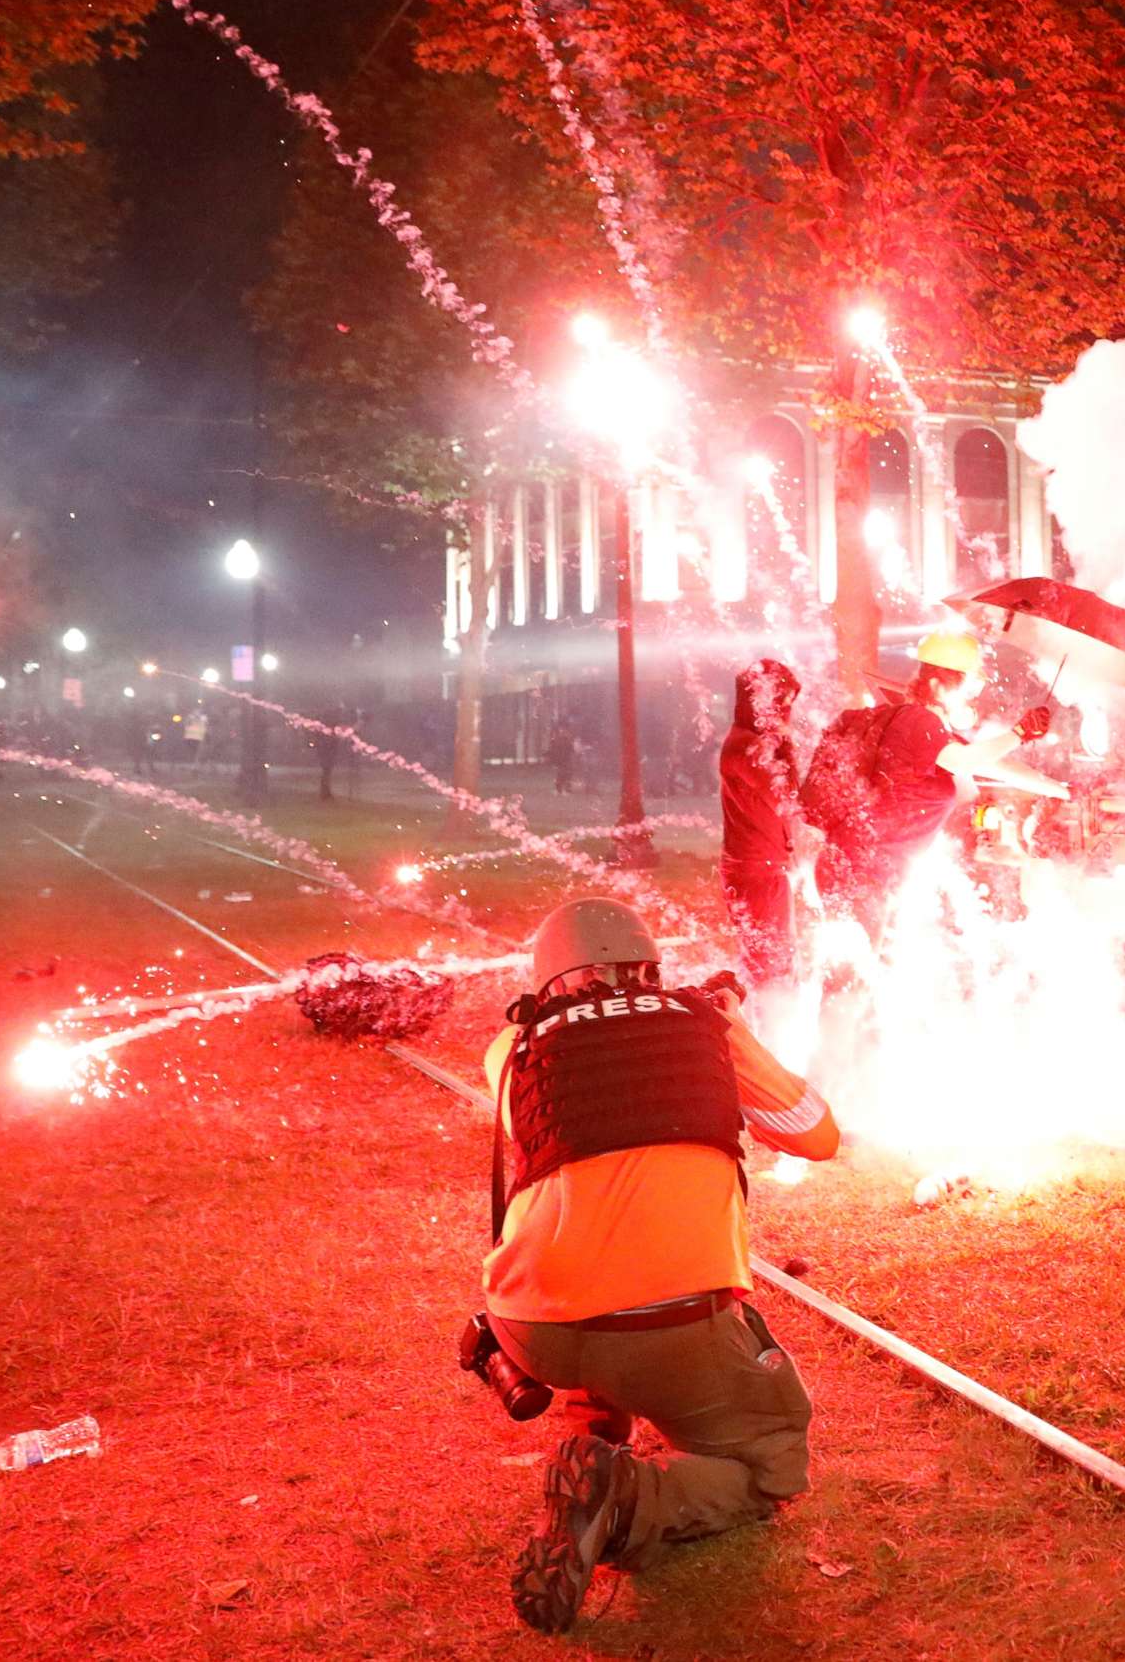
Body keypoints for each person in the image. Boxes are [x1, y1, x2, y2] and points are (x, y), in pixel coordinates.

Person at [479, 898, 839, 1634]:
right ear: (650, 965)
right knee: (767, 1467)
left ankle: (594, 1441)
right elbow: (815, 1135)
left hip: (529, 1323)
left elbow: (587, 1119)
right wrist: (726, 1030)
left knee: (591, 1276)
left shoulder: (509, 1048)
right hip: (669, 1320)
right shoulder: (704, 1023)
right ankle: (628, 1499)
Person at [806, 629, 1049, 942]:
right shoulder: (920, 722)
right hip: (860, 873)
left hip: (863, 870)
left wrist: (1060, 788)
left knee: (865, 973)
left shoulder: (926, 729)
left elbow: (989, 764)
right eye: (967, 687)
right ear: (936, 685)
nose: (974, 696)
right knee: (852, 981)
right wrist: (1019, 732)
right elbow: (965, 761)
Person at [717, 659, 802, 985]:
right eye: (781, 702)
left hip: (760, 865)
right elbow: (787, 795)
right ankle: (768, 1029)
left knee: (772, 960)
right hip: (757, 868)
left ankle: (769, 1023)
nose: (786, 713)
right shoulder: (748, 747)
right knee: (771, 966)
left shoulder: (749, 742)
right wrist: (785, 742)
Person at [548, 718, 578, 796]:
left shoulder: (566, 738)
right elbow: (554, 749)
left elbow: (570, 749)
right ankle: (560, 789)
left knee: (565, 774)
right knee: (561, 774)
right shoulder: (558, 739)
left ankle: (565, 789)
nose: (562, 731)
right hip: (561, 759)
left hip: (565, 758)